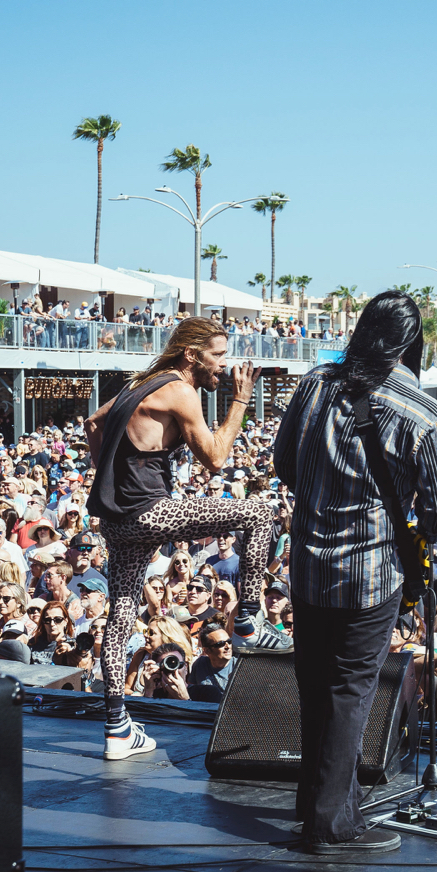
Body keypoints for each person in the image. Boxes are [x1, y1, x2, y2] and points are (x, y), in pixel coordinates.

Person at [272, 291, 437, 855]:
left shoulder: (314, 384)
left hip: (307, 563)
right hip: (370, 573)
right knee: (350, 691)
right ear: (409, 341)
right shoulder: (421, 412)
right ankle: (331, 824)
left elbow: (283, 463)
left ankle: (319, 804)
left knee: (315, 685)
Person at [84, 316, 276, 762]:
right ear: (193, 355)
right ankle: (247, 618)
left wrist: (114, 478)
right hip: (150, 512)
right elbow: (215, 459)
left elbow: (94, 423)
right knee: (259, 512)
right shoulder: (181, 390)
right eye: (219, 356)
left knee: (122, 614)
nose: (225, 368)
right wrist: (241, 400)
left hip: (117, 520)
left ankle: (117, 729)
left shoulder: (146, 383)